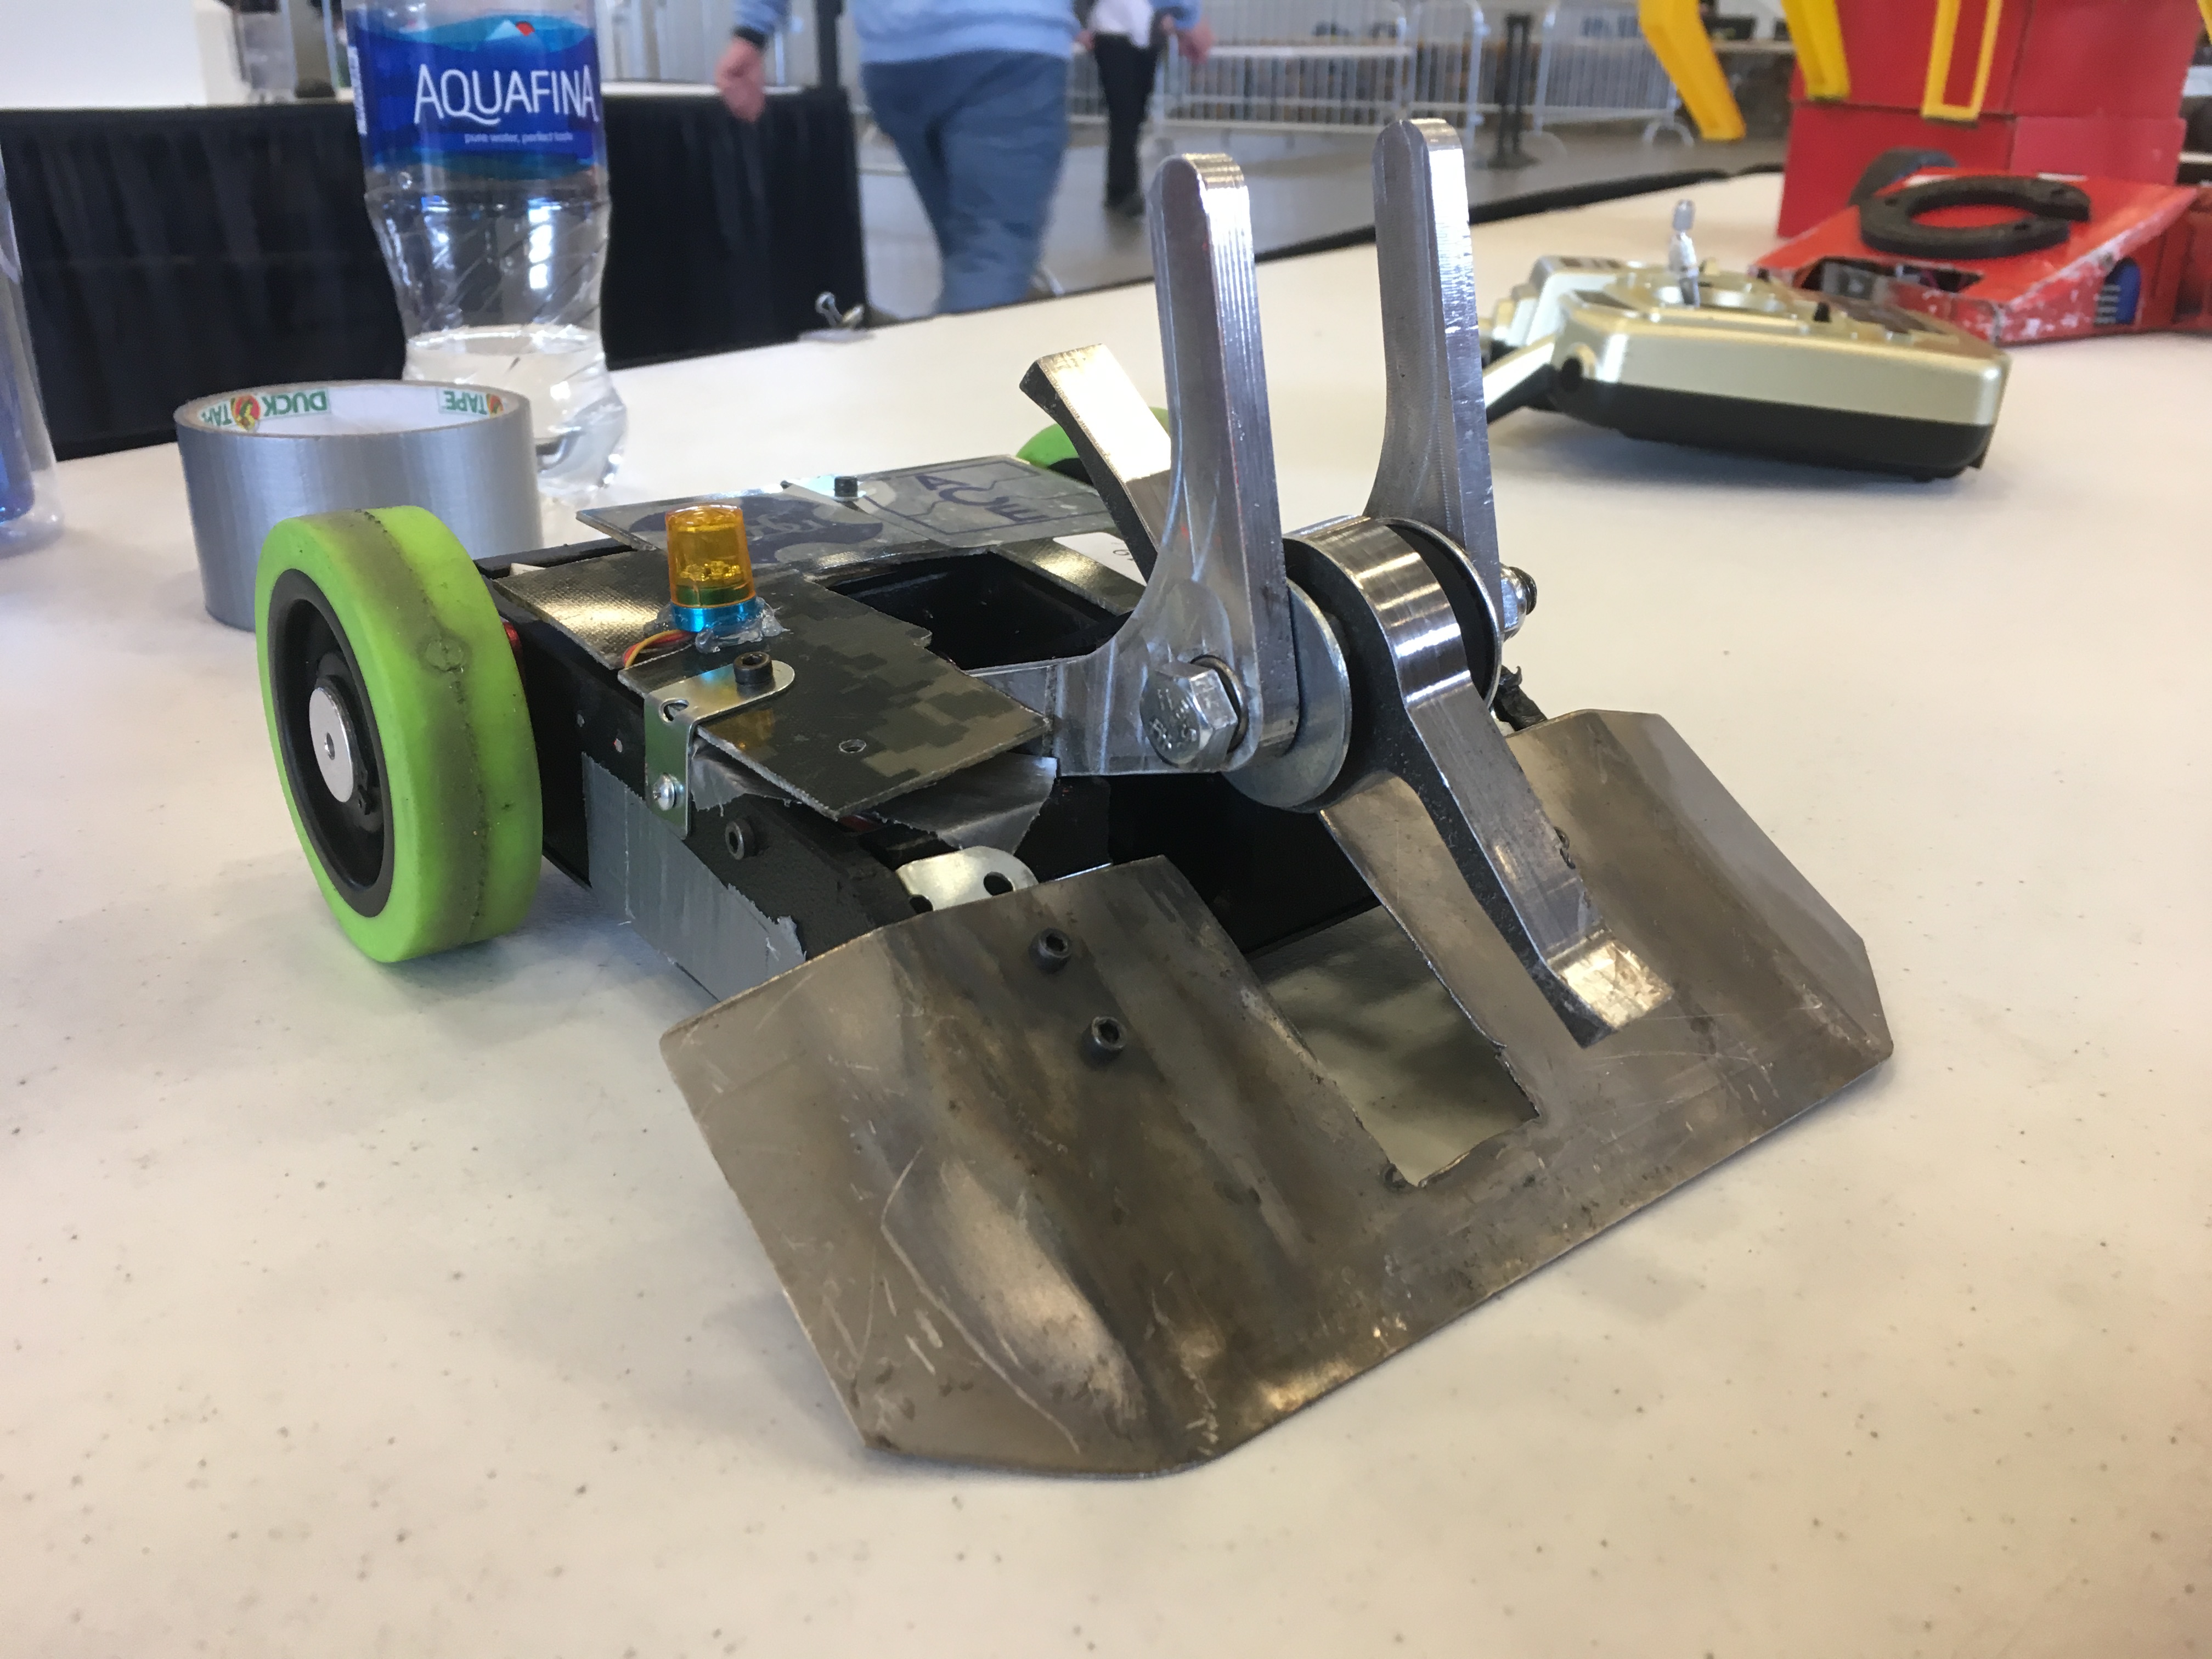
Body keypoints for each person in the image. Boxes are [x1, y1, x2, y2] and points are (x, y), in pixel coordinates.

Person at [716, 0, 1084, 314]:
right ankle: (959, 367)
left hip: (895, 58)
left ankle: (987, 340)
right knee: (992, 251)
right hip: (1009, 48)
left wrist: (752, 31)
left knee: (969, 250)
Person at [1077, 0, 1212, 219]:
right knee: (1126, 113)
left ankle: (1120, 189)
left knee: (1132, 114)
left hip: (1143, 31)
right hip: (1116, 30)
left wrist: (1184, 20)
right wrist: (1188, 19)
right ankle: (1124, 190)